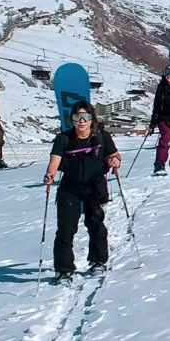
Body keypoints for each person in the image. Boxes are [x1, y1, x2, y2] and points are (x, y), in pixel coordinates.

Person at [43, 101, 121, 280]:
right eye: (77, 117)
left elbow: (115, 155)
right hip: (69, 189)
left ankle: (98, 262)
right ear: (72, 119)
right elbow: (55, 160)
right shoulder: (64, 139)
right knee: (65, 229)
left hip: (95, 188)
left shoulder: (102, 137)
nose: (81, 121)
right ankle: (64, 269)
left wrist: (115, 161)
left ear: (91, 119)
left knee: (96, 226)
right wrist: (50, 174)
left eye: (85, 117)